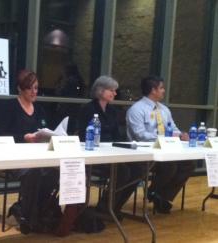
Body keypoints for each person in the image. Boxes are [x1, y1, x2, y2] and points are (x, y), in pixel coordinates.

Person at [0, 69, 59, 234]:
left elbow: (44, 130)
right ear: (20, 88)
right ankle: (30, 217)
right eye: (30, 88)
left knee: (54, 172)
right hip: (13, 156)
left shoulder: (40, 110)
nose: (34, 92)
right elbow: (0, 134)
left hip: (37, 156)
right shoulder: (9, 107)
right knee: (34, 172)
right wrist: (23, 137)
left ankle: (30, 209)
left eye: (36, 88)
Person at [78, 75, 145, 219]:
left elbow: (116, 136)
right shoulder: (88, 109)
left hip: (111, 153)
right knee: (123, 171)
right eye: (112, 90)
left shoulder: (112, 111)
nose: (115, 93)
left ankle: (116, 206)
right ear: (101, 91)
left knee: (138, 169)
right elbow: (83, 137)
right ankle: (104, 207)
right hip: (94, 155)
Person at [126, 75, 195, 214]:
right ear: (153, 90)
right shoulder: (137, 109)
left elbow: (173, 128)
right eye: (161, 88)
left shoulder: (164, 109)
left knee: (189, 163)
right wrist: (162, 137)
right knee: (170, 165)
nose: (164, 91)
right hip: (145, 152)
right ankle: (154, 192)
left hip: (166, 149)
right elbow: (139, 135)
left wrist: (181, 134)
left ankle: (162, 196)